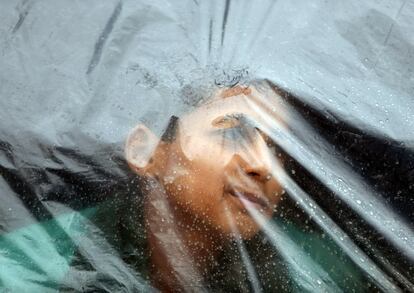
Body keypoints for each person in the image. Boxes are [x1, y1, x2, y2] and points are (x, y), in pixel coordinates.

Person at [125, 82, 287, 291]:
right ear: (146, 152)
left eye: (275, 147)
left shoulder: (308, 271)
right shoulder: (75, 258)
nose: (263, 166)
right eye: (231, 134)